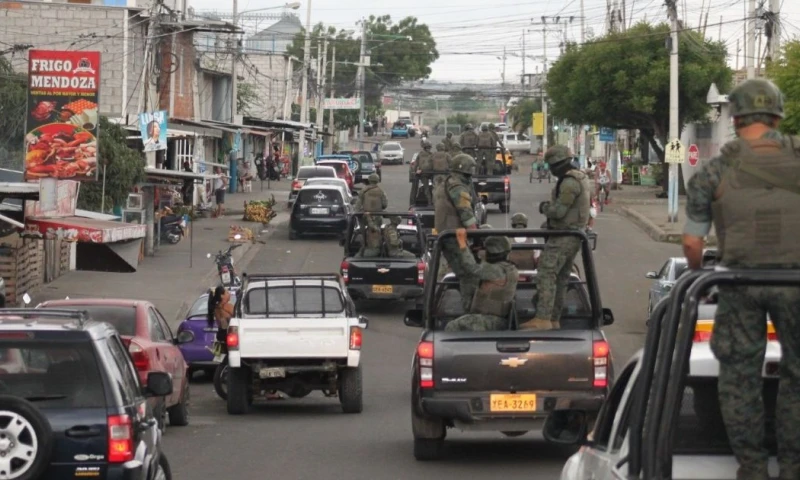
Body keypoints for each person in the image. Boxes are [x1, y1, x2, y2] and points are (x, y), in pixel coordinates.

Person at [683, 78, 800, 480]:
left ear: (734, 116)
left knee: (738, 378)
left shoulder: (714, 170)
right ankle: (793, 466)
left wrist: (699, 277)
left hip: (739, 282)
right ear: (778, 114)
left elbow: (692, 242)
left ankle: (752, 468)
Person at [520, 145, 591, 331]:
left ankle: (543, 317)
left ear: (557, 165)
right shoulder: (580, 177)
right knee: (560, 279)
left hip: (563, 236)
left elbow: (559, 212)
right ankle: (553, 318)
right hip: (572, 235)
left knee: (546, 273)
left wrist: (544, 208)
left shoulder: (569, 182)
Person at [444, 230, 518, 332]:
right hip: (497, 320)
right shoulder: (510, 268)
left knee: (452, 327)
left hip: (489, 320)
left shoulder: (496, 270)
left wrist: (463, 245)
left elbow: (472, 268)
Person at [434, 154, 479, 297]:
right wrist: (477, 237)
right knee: (469, 273)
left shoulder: (446, 182)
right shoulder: (458, 187)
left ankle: (437, 295)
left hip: (446, 234)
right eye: (469, 173)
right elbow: (466, 214)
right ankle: (469, 305)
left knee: (450, 268)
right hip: (455, 236)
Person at [207, 285, 234, 351]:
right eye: (227, 293)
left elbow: (222, 324)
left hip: (221, 337)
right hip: (229, 337)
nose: (229, 294)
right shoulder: (228, 307)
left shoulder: (216, 308)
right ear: (222, 296)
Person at [416, 140, 435, 204]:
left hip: (429, 173)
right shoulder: (432, 155)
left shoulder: (421, 154)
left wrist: (416, 170)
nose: (428, 149)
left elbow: (416, 164)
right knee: (430, 188)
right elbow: (416, 164)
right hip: (427, 173)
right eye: (427, 148)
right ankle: (431, 201)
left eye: (429, 148)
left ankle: (431, 201)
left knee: (429, 188)